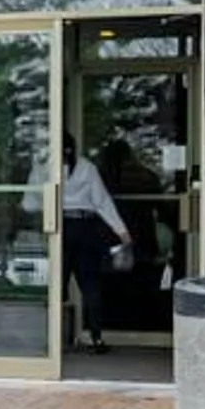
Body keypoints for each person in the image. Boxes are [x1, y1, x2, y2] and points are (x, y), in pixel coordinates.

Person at [58, 138, 136, 354]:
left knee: (57, 285)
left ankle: (52, 341)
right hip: (85, 227)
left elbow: (31, 201)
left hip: (59, 227)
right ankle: (96, 338)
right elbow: (102, 202)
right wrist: (122, 232)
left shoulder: (46, 166)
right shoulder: (87, 167)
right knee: (90, 284)